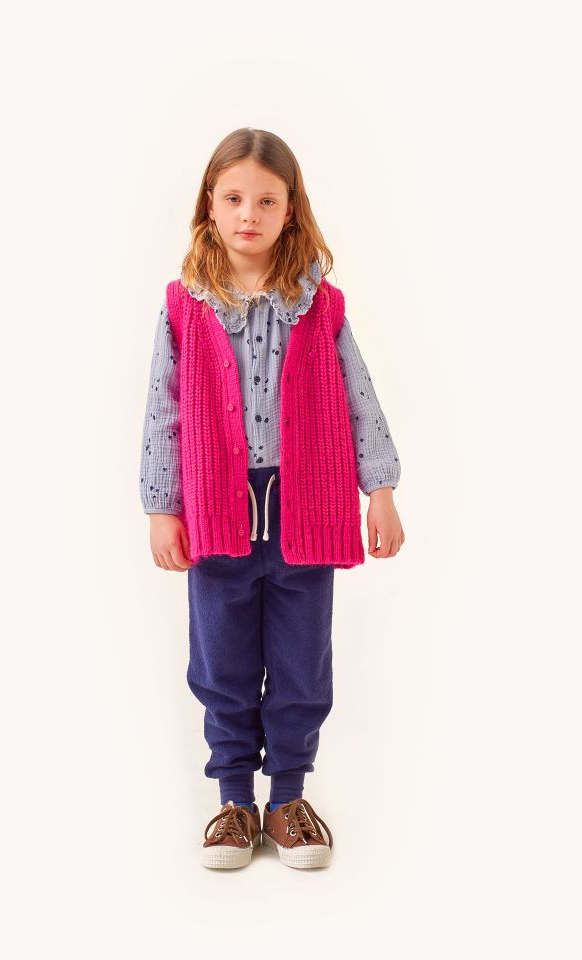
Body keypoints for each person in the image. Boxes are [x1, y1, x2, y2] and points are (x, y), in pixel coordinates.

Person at [139, 127, 405, 870]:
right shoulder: (184, 307)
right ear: (210, 205)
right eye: (233, 198)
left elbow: (359, 397)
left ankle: (288, 797)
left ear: (291, 209)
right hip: (216, 510)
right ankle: (233, 800)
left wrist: (381, 489)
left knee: (300, 657)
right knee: (220, 658)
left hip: (306, 507)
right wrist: (162, 505)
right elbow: (163, 409)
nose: (248, 214)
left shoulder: (319, 306)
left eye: (266, 200)